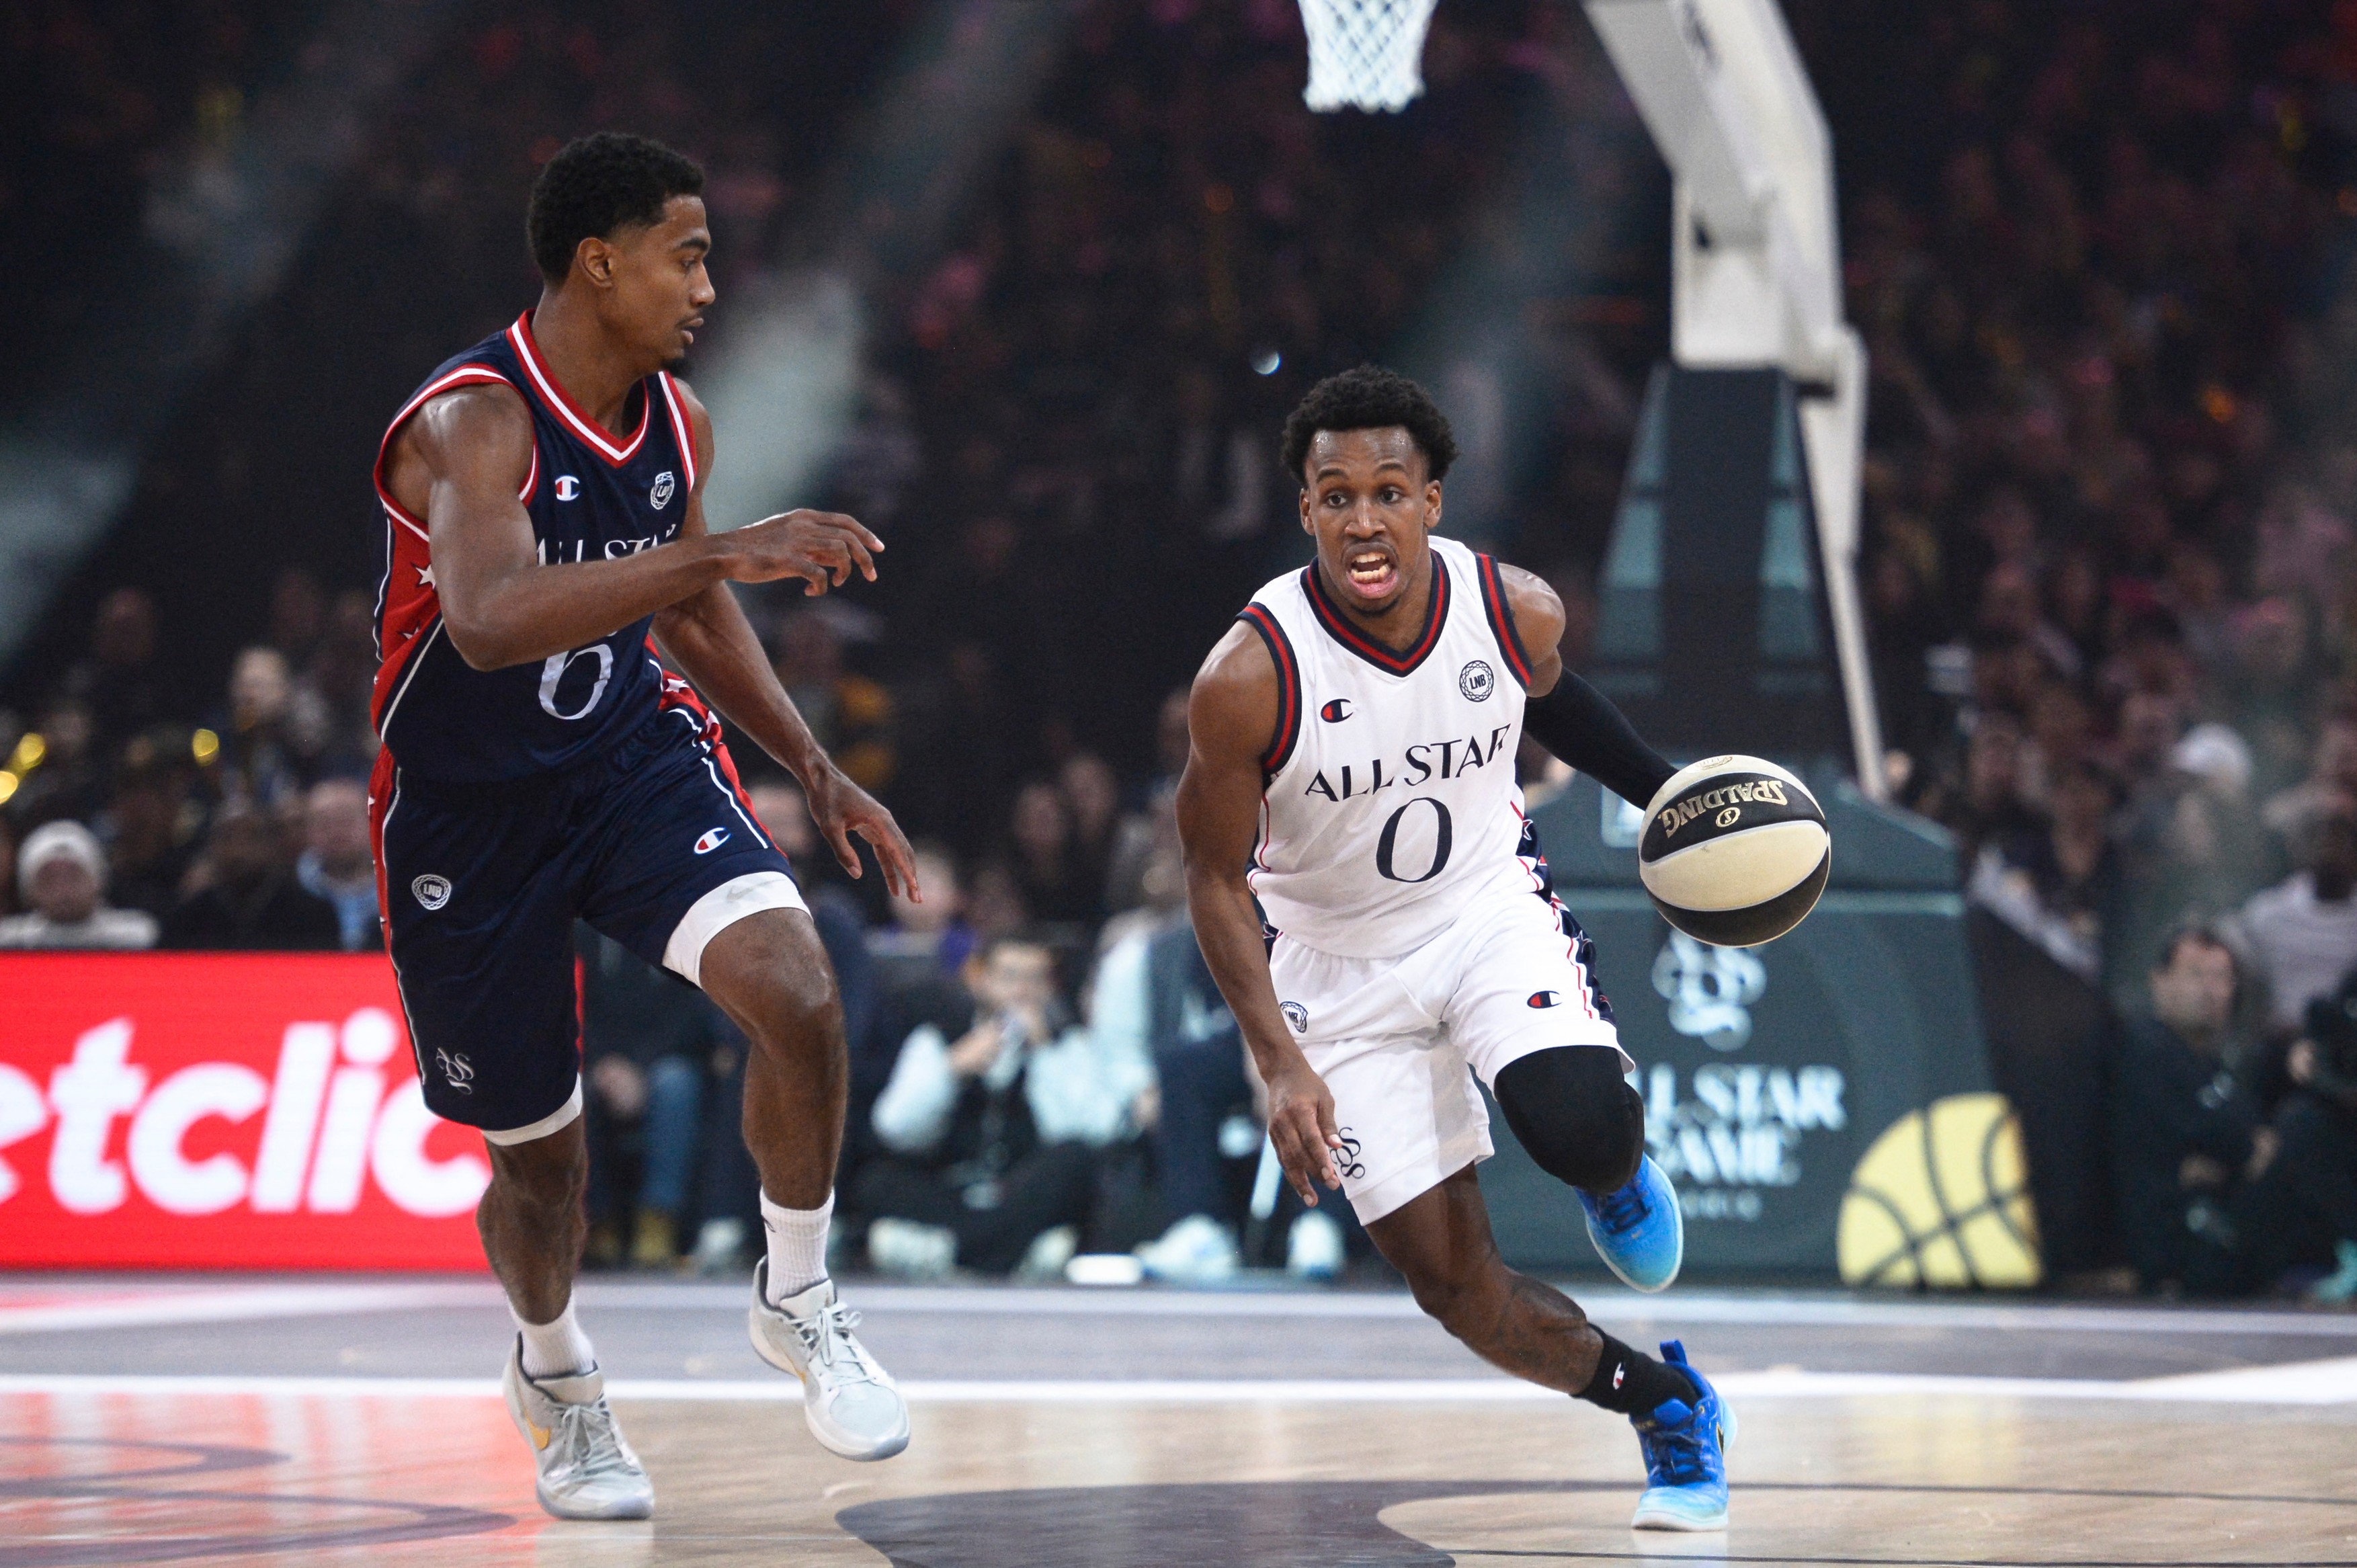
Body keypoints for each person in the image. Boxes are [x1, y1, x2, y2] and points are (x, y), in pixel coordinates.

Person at [367, 132, 916, 1518]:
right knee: (543, 1166)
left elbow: (685, 608)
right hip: (464, 808)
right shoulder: (473, 417)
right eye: (687, 253)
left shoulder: (675, 421)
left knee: (796, 984)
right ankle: (556, 1372)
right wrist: (714, 547)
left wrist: (810, 760)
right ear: (597, 263)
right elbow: (487, 624)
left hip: (620, 756)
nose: (707, 285)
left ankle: (796, 1291)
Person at [1177, 367, 1730, 1531]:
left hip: (1481, 908)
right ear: (1305, 511)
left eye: (1388, 491)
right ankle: (1668, 1401)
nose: (1363, 519)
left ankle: (1612, 1168)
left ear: (1432, 499)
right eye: (1336, 496)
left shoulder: (1509, 607)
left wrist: (1670, 793)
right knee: (1451, 1285)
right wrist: (1280, 1060)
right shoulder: (1248, 675)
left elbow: (1555, 701)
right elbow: (1212, 879)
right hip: (1333, 964)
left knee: (1574, 1119)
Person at [856, 934, 1151, 1277]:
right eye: (1010, 977)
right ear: (979, 980)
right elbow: (894, 1129)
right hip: (953, 1191)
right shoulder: (938, 1038)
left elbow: (1094, 1132)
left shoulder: (1067, 1044)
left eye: (1035, 979)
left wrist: (1044, 1056)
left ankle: (951, 1253)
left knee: (1074, 1163)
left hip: (1020, 1193)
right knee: (877, 1181)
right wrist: (951, 1071)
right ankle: (1006, 1252)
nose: (1022, 992)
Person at [2108, 925, 2270, 1296]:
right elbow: (2217, 1135)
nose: (2210, 990)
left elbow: (2239, 1136)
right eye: (2196, 975)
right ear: (2160, 982)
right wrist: (2240, 1153)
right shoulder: (2145, 1048)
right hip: (2171, 1250)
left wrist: (2226, 1158)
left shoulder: (2217, 1066)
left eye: (2221, 978)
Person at [2235, 799, 2357, 1035]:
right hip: (2278, 1040)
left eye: (2342, 844)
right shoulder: (2268, 913)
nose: (2331, 852)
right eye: (2324, 842)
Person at [161, 800, 343, 951]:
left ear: (273, 845)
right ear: (212, 847)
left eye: (251, 837)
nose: (238, 851)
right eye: (228, 838)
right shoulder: (188, 918)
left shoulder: (313, 916)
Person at [0, 820, 158, 950]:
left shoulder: (137, 938)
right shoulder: (10, 943)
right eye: (50, 879)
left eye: (73, 876)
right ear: (30, 890)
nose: (63, 889)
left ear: (98, 880)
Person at [295, 777, 382, 951]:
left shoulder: (398, 889)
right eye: (325, 823)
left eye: (346, 820)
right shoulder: (289, 892)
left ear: (371, 822)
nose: (336, 831)